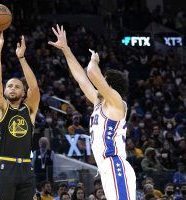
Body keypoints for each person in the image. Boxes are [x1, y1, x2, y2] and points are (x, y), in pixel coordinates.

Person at [48, 25, 136, 200]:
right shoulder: (99, 101)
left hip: (115, 165)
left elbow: (90, 71)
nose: (99, 81)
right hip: (105, 167)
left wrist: (95, 60)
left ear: (110, 86)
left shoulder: (117, 102)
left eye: (103, 80)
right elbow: (81, 78)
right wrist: (66, 49)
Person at [0, 31, 40, 200]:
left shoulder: (29, 110)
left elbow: (35, 87)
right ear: (4, 91)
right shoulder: (1, 108)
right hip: (5, 164)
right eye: (9, 86)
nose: (12, 88)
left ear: (24, 92)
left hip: (26, 167)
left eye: (17, 86)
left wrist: (22, 58)